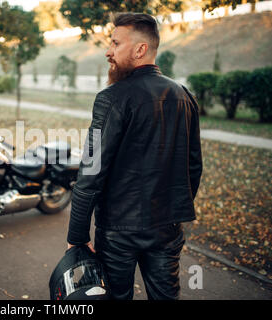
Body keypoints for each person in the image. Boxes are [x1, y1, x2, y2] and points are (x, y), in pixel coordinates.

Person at [67, 12, 202, 300]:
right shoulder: (184, 95)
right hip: (167, 227)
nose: (108, 51)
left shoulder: (112, 97)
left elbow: (90, 172)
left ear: (141, 49)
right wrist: (173, 211)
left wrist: (76, 238)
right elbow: (193, 167)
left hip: (118, 231)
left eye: (115, 43)